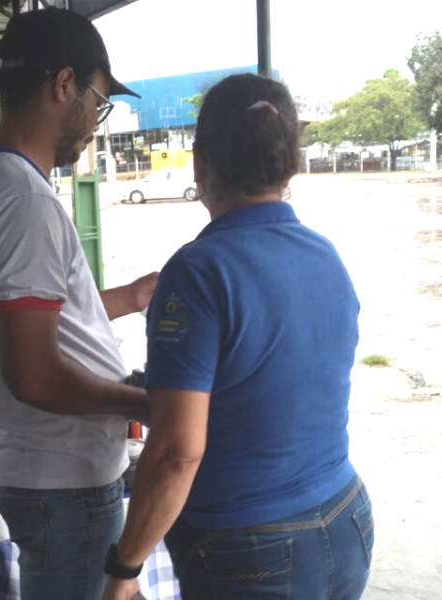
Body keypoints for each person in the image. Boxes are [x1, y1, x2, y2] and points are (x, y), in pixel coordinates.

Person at [102, 73, 374, 600]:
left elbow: (177, 452)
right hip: (347, 520)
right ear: (289, 162)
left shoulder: (199, 271)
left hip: (249, 548)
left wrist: (125, 569)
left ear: (200, 161)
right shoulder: (327, 256)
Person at [0, 8, 156, 600]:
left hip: (37, 469)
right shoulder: (25, 203)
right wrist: (142, 400)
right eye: (99, 98)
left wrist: (127, 299)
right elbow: (33, 374)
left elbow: (31, 327)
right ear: (63, 84)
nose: (97, 118)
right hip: (64, 478)